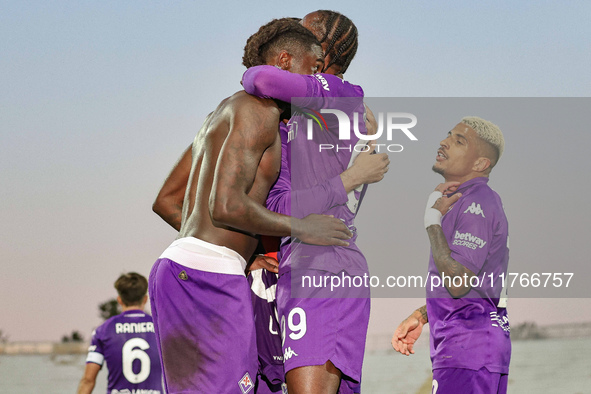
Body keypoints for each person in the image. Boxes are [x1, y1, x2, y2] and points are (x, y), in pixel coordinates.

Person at [148, 19, 357, 394]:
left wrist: (245, 252)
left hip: (186, 266)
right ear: (284, 62)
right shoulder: (260, 112)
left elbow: (166, 201)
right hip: (207, 276)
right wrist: (303, 227)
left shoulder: (223, 111)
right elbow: (227, 206)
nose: (313, 84)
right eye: (311, 70)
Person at [242, 10, 382, 394]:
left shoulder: (340, 94)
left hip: (323, 266)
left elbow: (258, 76)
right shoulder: (305, 114)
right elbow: (282, 204)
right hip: (303, 264)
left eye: (299, 35)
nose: (289, 41)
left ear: (321, 51)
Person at [391, 117, 510, 394]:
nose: (444, 142)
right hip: (476, 348)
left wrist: (431, 221)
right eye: (448, 135)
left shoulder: (476, 202)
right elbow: (475, 286)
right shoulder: (469, 200)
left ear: (480, 164)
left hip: (468, 351)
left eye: (459, 141)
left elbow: (458, 282)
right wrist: (422, 315)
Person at [77, 272, 162, 394]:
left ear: (120, 300)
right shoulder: (160, 328)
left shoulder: (103, 330)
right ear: (145, 299)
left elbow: (88, 380)